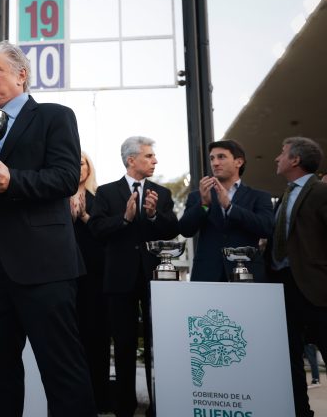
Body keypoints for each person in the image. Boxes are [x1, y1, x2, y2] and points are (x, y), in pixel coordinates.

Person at [0, 41, 96, 416]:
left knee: (62, 370)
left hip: (44, 265)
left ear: (21, 74)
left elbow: (65, 177)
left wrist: (13, 181)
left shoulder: (55, 116)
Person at [88, 136, 178, 417]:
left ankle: (159, 406)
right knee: (124, 345)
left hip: (154, 280)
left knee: (158, 344)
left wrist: (152, 216)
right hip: (119, 280)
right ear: (131, 160)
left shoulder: (162, 194)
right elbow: (97, 230)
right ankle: (125, 408)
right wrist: (125, 218)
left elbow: (172, 230)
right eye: (149, 156)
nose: (155, 161)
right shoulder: (106, 192)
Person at [266, 136, 327, 417]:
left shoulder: (321, 191)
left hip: (316, 290)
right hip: (283, 288)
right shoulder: (284, 196)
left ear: (295, 160)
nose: (277, 158)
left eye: (282, 153)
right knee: (289, 361)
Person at [179, 140, 273, 282]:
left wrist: (230, 208)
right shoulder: (198, 196)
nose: (215, 163)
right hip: (207, 275)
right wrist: (204, 205)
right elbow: (185, 230)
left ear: (238, 162)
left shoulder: (259, 196)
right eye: (212, 158)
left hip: (248, 273)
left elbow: (266, 228)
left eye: (221, 157)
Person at [72, 151, 113, 413]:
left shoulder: (100, 198)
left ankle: (99, 399)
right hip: (66, 276)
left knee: (96, 337)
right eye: (73, 162)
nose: (78, 167)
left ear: (89, 168)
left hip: (95, 278)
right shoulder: (55, 197)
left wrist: (86, 216)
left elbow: (108, 237)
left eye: (82, 162)